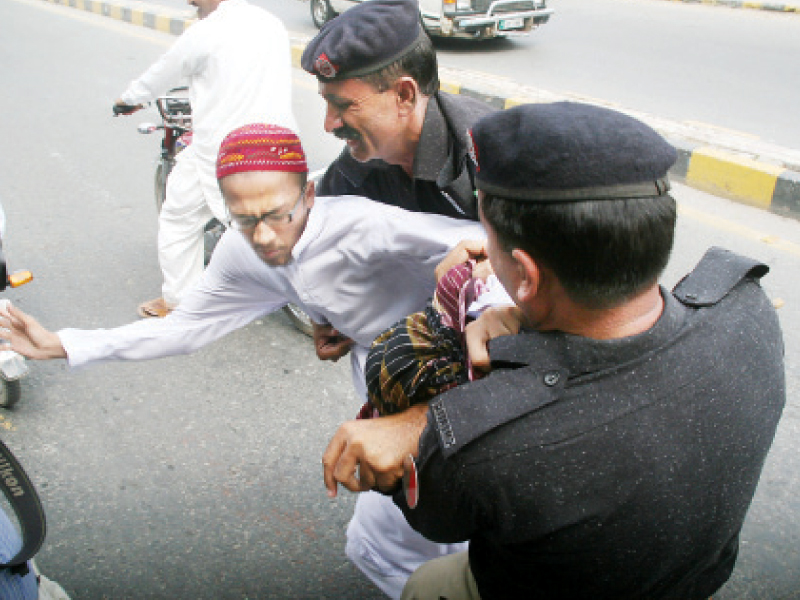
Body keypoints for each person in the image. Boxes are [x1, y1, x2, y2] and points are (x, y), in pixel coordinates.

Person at [321, 102, 786, 599]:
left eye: (489, 244)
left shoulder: (489, 448)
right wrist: (529, 318)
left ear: (526, 274)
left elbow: (436, 517)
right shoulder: (748, 309)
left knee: (428, 584)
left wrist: (442, 313)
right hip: (688, 579)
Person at [0, 123, 483, 597]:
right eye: (245, 219)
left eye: (277, 215)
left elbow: (486, 244)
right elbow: (184, 328)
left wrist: (457, 299)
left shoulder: (366, 226)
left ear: (309, 196)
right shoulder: (242, 251)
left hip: (463, 380)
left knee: (417, 526)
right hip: (379, 392)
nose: (265, 237)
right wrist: (60, 343)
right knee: (400, 534)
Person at [302, 2, 496, 589]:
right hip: (402, 362)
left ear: (405, 94)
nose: (330, 124)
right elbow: (327, 250)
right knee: (404, 526)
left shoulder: (492, 159)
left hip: (497, 372)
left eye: (343, 105)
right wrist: (332, 318)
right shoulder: (354, 172)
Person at [113, 0, 297, 318]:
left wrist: (129, 100)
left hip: (226, 148)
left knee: (190, 218)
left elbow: (161, 73)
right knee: (204, 213)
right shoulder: (272, 24)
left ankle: (181, 301)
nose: (191, 3)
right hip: (280, 142)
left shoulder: (206, 32)